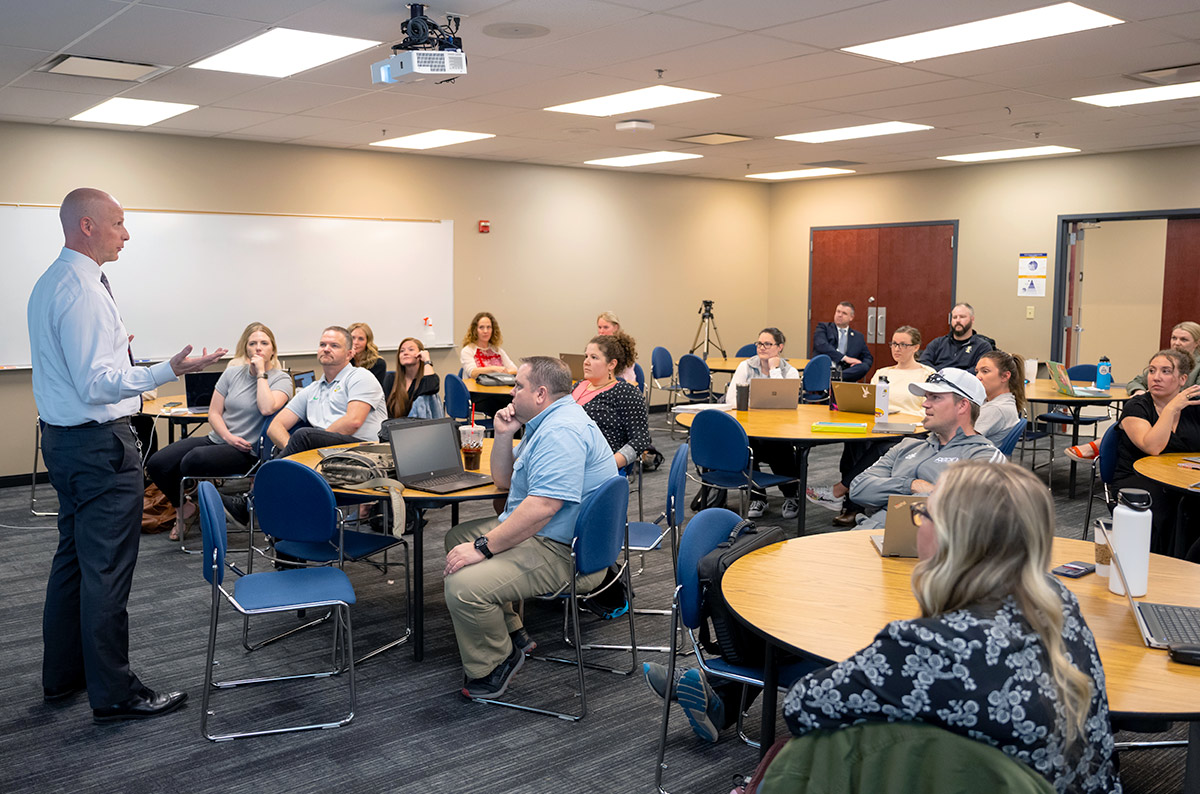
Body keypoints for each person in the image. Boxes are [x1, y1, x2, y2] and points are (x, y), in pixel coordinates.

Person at [781, 461, 1120, 794]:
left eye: (924, 513)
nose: (918, 522)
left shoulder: (929, 647)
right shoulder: (1057, 597)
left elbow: (802, 707)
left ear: (951, 535)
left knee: (830, 745)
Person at [29, 187, 226, 723]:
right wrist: (169, 369)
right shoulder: (85, 291)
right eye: (119, 223)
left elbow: (83, 371)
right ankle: (116, 693)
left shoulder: (52, 282)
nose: (127, 233)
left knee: (72, 562)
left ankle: (63, 677)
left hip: (65, 444)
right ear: (88, 226)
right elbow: (98, 386)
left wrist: (119, 351)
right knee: (106, 571)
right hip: (97, 448)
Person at [442, 357, 617, 699]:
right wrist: (505, 435)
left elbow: (542, 508)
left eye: (517, 386)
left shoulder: (561, 432)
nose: (511, 392)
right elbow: (505, 481)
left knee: (462, 585)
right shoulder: (551, 421)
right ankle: (513, 630)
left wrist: (483, 548)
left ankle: (497, 662)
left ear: (540, 393)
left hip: (566, 551)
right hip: (554, 534)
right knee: (456, 538)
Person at [145, 322, 292, 541]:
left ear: (273, 350)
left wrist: (261, 373)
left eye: (264, 343)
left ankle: (202, 504)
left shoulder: (282, 379)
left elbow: (266, 407)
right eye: (252, 343)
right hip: (221, 439)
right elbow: (214, 413)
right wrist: (228, 437)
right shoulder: (232, 374)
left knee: (192, 460)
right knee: (157, 464)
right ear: (245, 348)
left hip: (248, 450)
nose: (258, 348)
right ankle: (183, 509)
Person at [807, 325, 935, 527]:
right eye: (894, 343)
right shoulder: (883, 373)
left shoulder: (926, 374)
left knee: (882, 448)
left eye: (903, 344)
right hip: (881, 424)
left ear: (916, 347)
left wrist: (903, 418)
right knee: (854, 444)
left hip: (912, 430)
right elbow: (873, 402)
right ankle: (851, 504)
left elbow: (928, 408)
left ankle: (840, 492)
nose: (897, 349)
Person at [848, 367, 1004, 529]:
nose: (925, 404)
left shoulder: (984, 456)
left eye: (935, 397)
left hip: (920, 547)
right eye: (926, 397)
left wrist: (888, 491)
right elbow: (859, 489)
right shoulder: (907, 446)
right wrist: (911, 485)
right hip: (863, 535)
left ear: (962, 405)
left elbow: (964, 512)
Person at [1111, 348, 1200, 557]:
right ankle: (1167, 562)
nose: (1156, 377)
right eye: (1151, 371)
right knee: (1171, 503)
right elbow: (1152, 447)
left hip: (1182, 476)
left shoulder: (1194, 408)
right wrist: (1171, 409)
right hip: (1137, 479)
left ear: (1182, 379)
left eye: (1166, 371)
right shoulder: (1137, 407)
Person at [266, 326, 387, 457]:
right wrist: (293, 449)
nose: (326, 349)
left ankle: (268, 475)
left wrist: (312, 445)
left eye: (334, 345)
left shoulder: (361, 376)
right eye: (322, 345)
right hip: (325, 452)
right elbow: (275, 426)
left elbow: (353, 421)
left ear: (349, 354)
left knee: (304, 435)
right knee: (302, 439)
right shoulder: (312, 389)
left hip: (364, 450)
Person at [725, 327, 803, 520]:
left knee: (780, 449)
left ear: (780, 347)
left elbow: (787, 403)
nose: (762, 347)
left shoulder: (789, 371)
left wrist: (775, 369)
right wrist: (758, 404)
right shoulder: (745, 366)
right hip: (750, 426)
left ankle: (792, 496)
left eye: (768, 344)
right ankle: (758, 497)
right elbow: (730, 400)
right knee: (745, 447)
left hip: (780, 428)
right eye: (759, 343)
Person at [571, 333, 651, 470]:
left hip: (597, 467)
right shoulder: (577, 386)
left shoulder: (625, 392)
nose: (586, 362)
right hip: (566, 458)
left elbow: (641, 439)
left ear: (612, 364)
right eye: (586, 356)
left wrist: (608, 465)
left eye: (594, 357)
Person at [1127, 321, 1200, 395]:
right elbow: (1135, 382)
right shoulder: (1164, 360)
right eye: (1174, 338)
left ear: (1197, 343)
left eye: (1183, 339)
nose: (1177, 343)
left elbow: (1197, 393)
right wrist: (1139, 391)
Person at [974, 349, 1026, 447]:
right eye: (977, 372)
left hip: (973, 459)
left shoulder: (995, 409)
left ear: (1005, 376)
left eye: (985, 371)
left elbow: (962, 441)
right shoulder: (1003, 401)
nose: (978, 377)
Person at [920, 302, 993, 373]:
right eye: (954, 317)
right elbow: (924, 364)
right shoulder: (938, 343)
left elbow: (979, 371)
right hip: (937, 382)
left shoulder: (982, 347)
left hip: (965, 384)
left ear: (972, 319)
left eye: (962, 317)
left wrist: (949, 375)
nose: (958, 320)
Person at [812, 301, 872, 382]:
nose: (840, 315)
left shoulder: (858, 337)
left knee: (864, 366)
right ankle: (834, 378)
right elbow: (821, 345)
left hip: (847, 373)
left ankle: (836, 377)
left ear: (851, 317)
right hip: (827, 368)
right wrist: (845, 358)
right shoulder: (824, 328)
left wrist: (860, 364)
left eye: (844, 313)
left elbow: (868, 357)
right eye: (838, 311)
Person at [385, 336, 442, 420]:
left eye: (411, 350)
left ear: (420, 354)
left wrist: (427, 360)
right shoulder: (391, 379)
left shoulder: (427, 379)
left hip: (420, 427)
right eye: (402, 351)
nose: (405, 353)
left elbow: (431, 387)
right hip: (395, 428)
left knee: (430, 395)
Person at [459, 311, 517, 377]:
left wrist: (502, 372)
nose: (485, 331)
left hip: (498, 386)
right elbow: (473, 373)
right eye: (481, 327)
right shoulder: (468, 350)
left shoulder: (497, 350)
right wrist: (494, 369)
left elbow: (515, 370)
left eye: (488, 327)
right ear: (475, 330)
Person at [596, 311, 637, 383]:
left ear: (616, 327)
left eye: (606, 327)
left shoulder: (622, 346)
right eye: (599, 327)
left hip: (624, 385)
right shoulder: (599, 345)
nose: (601, 331)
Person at [348, 321, 387, 387]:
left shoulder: (378, 363)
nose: (355, 342)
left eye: (361, 339)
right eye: (353, 338)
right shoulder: (343, 361)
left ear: (367, 342)